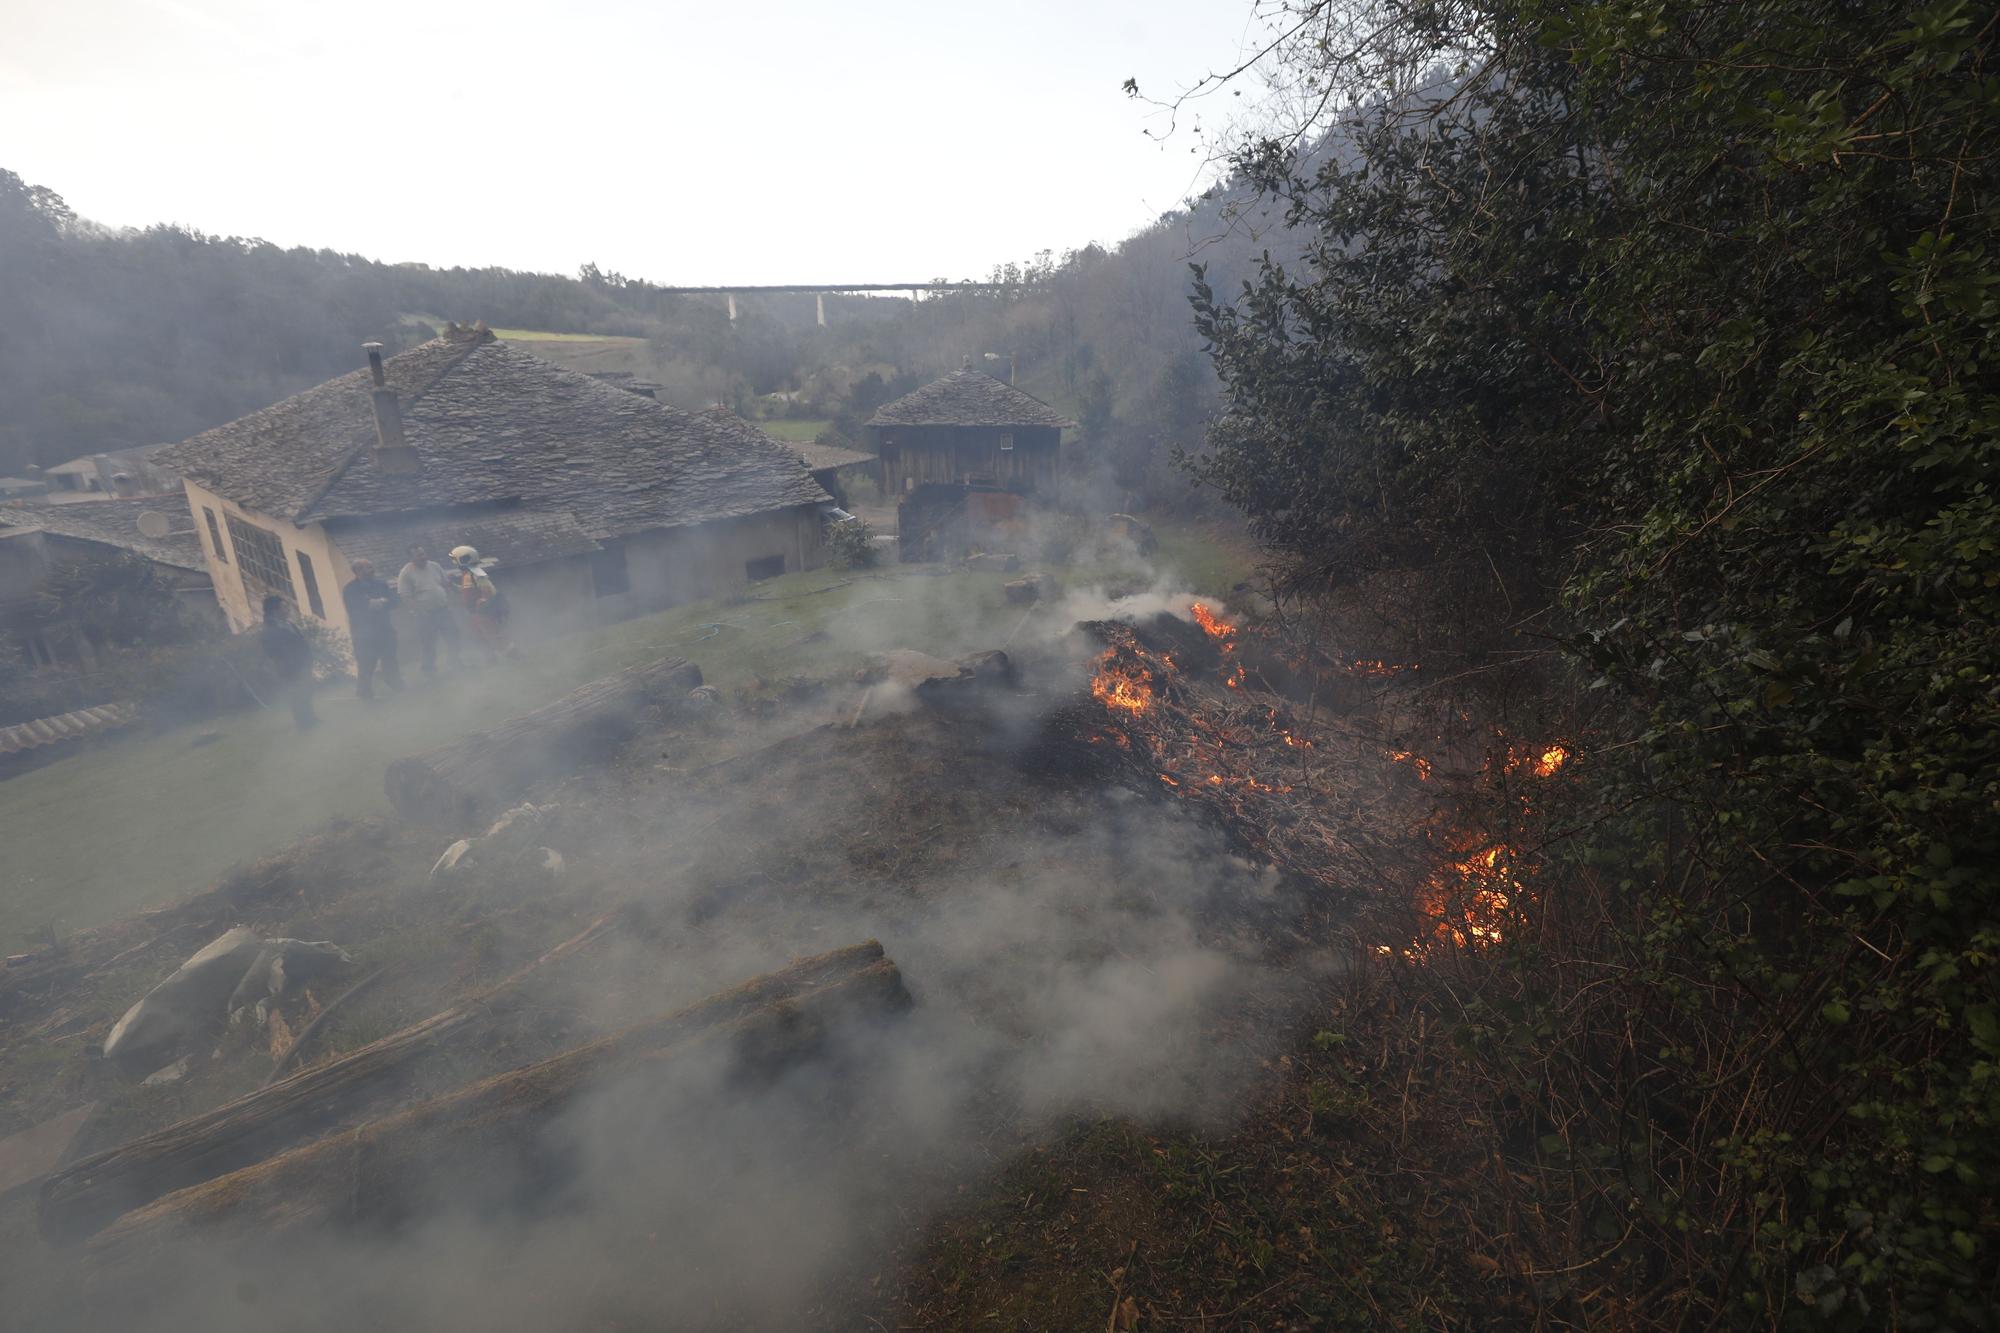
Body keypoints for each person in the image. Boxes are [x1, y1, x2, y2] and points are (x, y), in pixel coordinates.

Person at [341, 558, 403, 700]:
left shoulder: (381, 584)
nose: (372, 570)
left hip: (385, 630)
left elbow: (394, 602)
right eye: (368, 568)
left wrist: (380, 602)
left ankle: (396, 683)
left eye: (371, 567)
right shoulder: (350, 589)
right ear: (358, 572)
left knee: (390, 659)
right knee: (366, 664)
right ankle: (364, 692)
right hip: (364, 635)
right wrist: (370, 605)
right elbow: (355, 610)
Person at [396, 544, 459, 674]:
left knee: (453, 636)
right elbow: (405, 596)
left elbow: (444, 582)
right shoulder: (406, 573)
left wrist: (452, 588)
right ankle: (429, 671)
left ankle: (455, 663)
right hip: (425, 615)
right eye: (419, 555)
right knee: (428, 644)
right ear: (411, 557)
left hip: (443, 610)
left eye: (423, 553)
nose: (423, 557)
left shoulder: (434, 566)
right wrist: (419, 611)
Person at [258, 595, 318, 731]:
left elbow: (300, 642)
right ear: (274, 611)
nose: (288, 610)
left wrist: (307, 659)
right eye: (284, 607)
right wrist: (291, 661)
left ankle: (311, 718)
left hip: (303, 665)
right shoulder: (270, 629)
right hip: (290, 669)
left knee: (306, 692)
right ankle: (303, 724)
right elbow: (272, 652)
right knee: (297, 696)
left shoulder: (288, 624)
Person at [450, 545, 518, 663]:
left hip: (482, 612)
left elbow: (487, 590)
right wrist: (450, 585)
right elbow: (467, 591)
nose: (454, 563)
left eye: (455, 560)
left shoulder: (475, 573)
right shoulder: (469, 574)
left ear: (463, 560)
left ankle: (516, 656)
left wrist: (482, 602)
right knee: (479, 636)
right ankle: (490, 659)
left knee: (494, 635)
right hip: (475, 612)